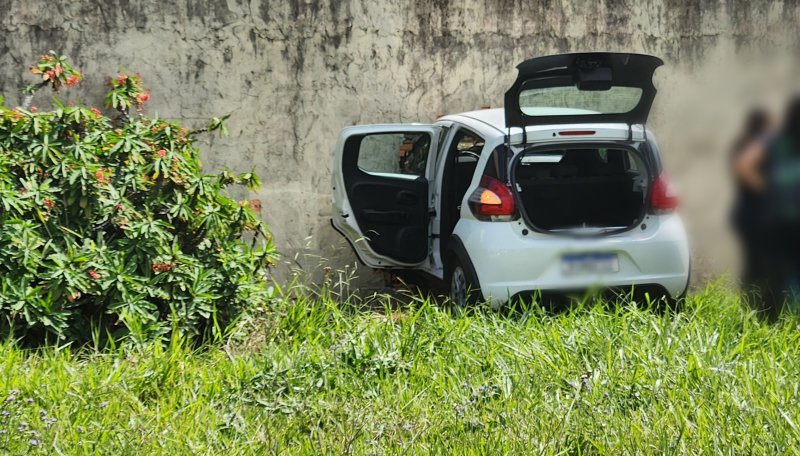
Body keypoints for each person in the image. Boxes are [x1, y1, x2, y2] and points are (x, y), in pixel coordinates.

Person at [735, 97, 800, 319]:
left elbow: (744, 166)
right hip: (780, 221)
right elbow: (743, 166)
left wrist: (769, 191)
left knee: (776, 272)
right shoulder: (775, 141)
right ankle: (776, 316)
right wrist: (768, 190)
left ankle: (774, 316)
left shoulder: (774, 140)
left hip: (776, 220)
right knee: (778, 272)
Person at [731, 108, 775, 310]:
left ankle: (753, 305)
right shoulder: (759, 144)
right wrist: (768, 190)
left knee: (755, 262)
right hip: (756, 213)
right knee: (760, 262)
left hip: (747, 213)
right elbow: (743, 167)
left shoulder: (742, 143)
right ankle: (759, 307)